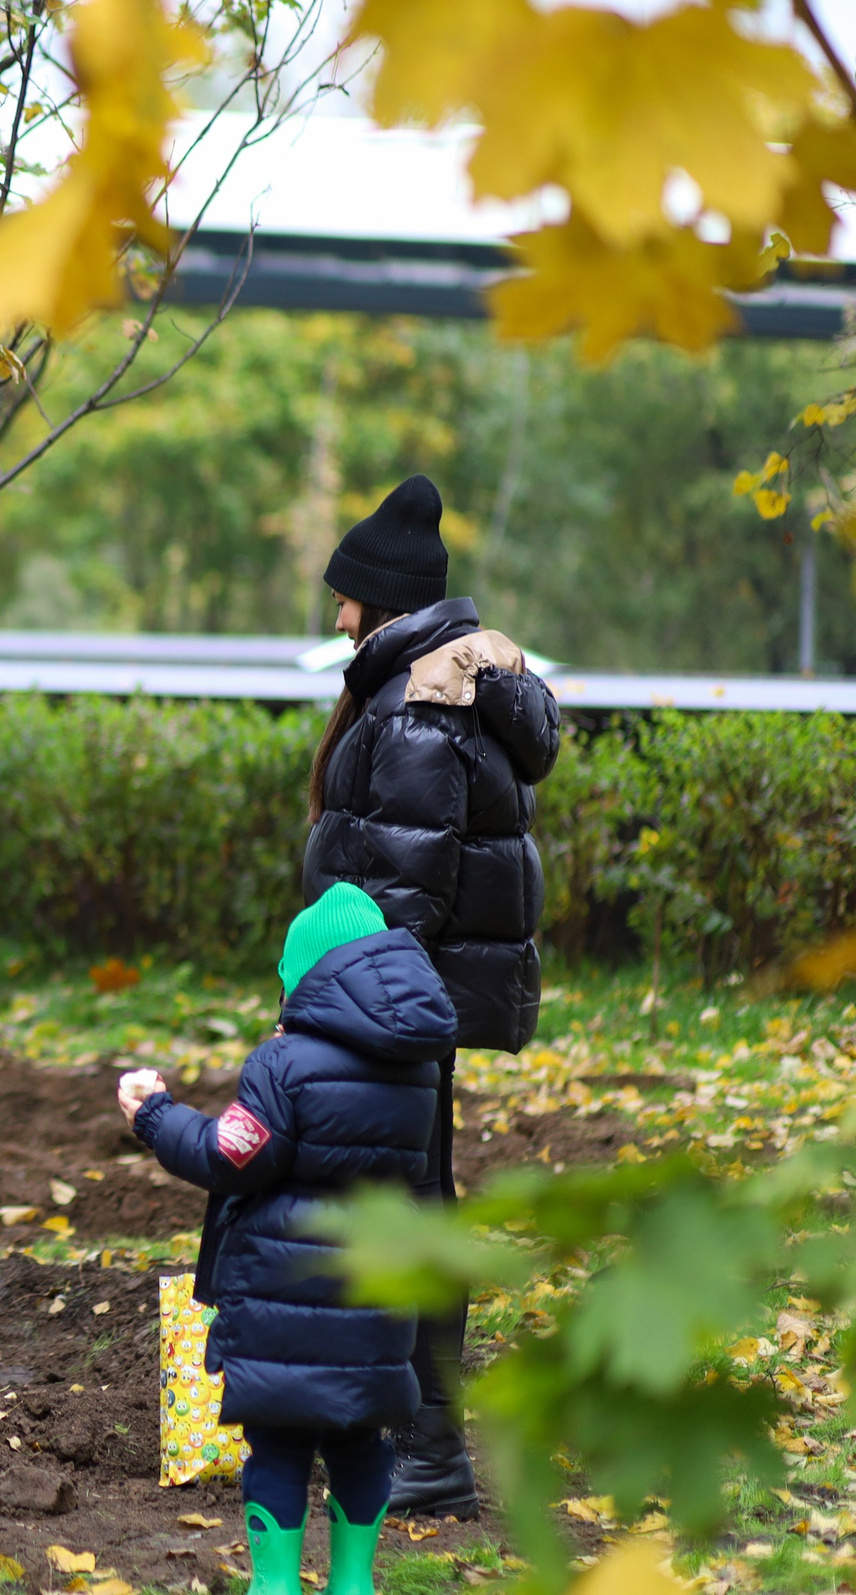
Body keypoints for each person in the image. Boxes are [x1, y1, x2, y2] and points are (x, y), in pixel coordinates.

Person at [302, 473, 559, 1519]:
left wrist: (356, 1014)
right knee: (408, 1206)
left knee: (405, 1212)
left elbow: (406, 889)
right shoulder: (427, 691)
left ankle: (430, 1453)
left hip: (400, 1008)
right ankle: (404, 1437)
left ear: (386, 602)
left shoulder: (417, 712)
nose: (335, 616)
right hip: (414, 1006)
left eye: (346, 598)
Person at [118, 883, 456, 1595]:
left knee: (277, 1439)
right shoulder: (420, 1067)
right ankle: (354, 1594)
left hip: (286, 1284)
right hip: (377, 1280)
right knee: (360, 1437)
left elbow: (230, 1156)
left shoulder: (285, 1063)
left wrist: (154, 1114)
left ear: (305, 974)